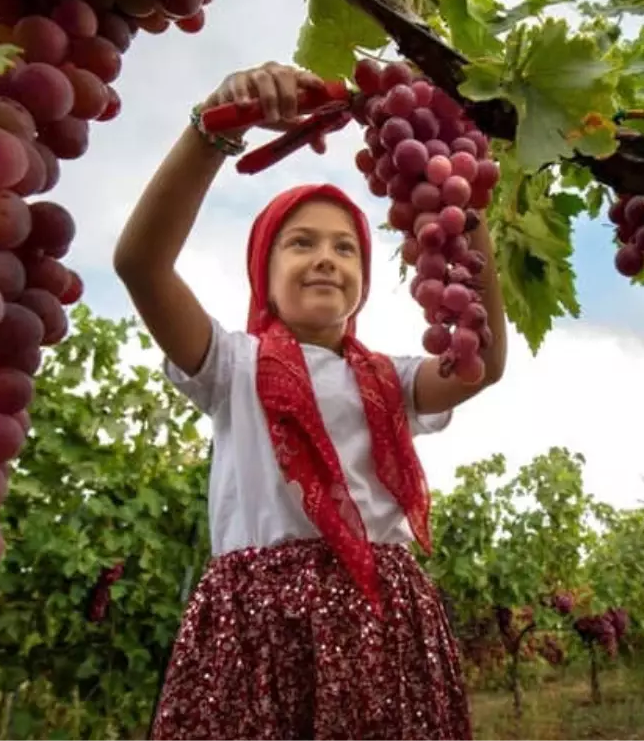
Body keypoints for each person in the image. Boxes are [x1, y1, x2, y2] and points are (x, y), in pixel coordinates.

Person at [114, 61, 508, 741]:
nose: (327, 258)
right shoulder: (230, 365)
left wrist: (462, 211)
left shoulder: (390, 376)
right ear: (261, 278)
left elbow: (480, 366)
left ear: (365, 279)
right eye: (300, 243)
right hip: (264, 627)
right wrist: (211, 130)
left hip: (383, 617)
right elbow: (140, 264)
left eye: (346, 249)